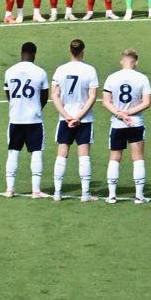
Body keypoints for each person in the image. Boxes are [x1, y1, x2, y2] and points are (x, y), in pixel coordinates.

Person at [50, 37, 99, 201]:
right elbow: (92, 97)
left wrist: (67, 116)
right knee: (84, 156)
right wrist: (78, 117)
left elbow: (54, 96)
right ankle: (85, 194)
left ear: (70, 50)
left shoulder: (60, 70)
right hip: (84, 120)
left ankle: (57, 192)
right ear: (83, 52)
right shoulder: (90, 70)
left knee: (61, 155)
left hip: (65, 120)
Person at [102, 48, 151, 204]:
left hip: (117, 124)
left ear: (121, 60)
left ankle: (111, 196)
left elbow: (106, 102)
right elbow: (146, 103)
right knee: (137, 158)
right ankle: (139, 196)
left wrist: (120, 114)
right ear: (136, 61)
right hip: (135, 122)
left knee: (114, 158)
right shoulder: (142, 78)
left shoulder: (111, 77)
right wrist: (129, 113)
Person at [3, 40, 50, 198]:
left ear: (21, 53)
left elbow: (8, 94)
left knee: (13, 152)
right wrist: (34, 108)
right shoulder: (41, 72)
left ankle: (9, 189)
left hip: (15, 118)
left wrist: (17, 106)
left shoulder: (9, 71)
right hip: (34, 120)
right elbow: (44, 98)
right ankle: (36, 190)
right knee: (36, 153)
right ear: (34, 54)